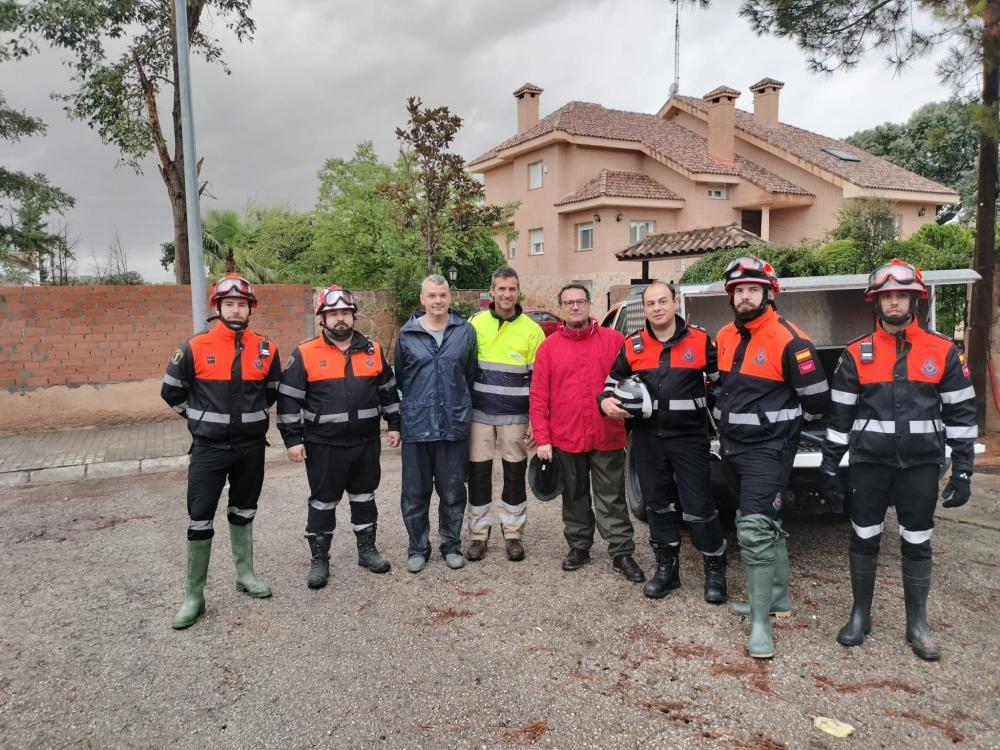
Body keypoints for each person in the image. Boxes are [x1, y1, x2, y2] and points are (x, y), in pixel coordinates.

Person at [820, 259, 976, 661]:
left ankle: (917, 624)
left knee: (918, 541)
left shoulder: (942, 351)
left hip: (921, 467)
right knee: (864, 537)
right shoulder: (856, 353)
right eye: (887, 296)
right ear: (877, 302)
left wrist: (962, 469)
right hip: (869, 465)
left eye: (900, 295)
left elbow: (960, 414)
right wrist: (830, 466)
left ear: (914, 299)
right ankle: (860, 615)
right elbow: (839, 416)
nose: (894, 303)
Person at [713, 256, 829, 658]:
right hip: (732, 447)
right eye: (739, 291)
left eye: (752, 290)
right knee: (763, 521)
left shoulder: (791, 339)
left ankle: (761, 623)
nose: (745, 297)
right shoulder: (726, 334)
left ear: (768, 293)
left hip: (769, 449)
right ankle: (776, 599)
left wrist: (782, 433)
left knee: (754, 530)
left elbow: (816, 401)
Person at [161, 273, 280, 629]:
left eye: (241, 305)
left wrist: (246, 420)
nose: (235, 310)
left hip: (250, 447)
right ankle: (193, 596)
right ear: (218, 307)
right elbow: (171, 392)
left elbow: (271, 391)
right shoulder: (195, 346)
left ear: (250, 309)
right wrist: (200, 420)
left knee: (244, 510)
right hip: (208, 449)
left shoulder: (266, 348)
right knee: (200, 518)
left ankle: (245, 575)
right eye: (229, 304)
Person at [598, 281, 728, 603]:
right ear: (645, 309)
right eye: (650, 303)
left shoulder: (700, 341)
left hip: (689, 440)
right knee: (658, 506)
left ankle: (715, 570)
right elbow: (610, 385)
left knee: (699, 507)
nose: (656, 308)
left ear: (674, 304)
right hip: (648, 440)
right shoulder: (633, 345)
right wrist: (604, 401)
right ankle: (667, 571)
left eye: (662, 301)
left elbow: (723, 383)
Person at [276, 285, 401, 589]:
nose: (340, 319)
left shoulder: (372, 349)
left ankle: (367, 550)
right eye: (333, 314)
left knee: (364, 497)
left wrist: (395, 423)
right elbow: (288, 400)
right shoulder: (305, 353)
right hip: (323, 445)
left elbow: (387, 390)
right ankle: (320, 560)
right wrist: (292, 440)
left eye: (345, 313)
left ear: (353, 316)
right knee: (323, 502)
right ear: (323, 318)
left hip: (365, 442)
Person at [529, 283, 645, 583]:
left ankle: (621, 550)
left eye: (580, 301)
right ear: (561, 307)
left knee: (612, 497)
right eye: (569, 302)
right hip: (566, 437)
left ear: (589, 304)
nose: (575, 307)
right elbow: (539, 397)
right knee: (574, 496)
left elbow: (633, 381)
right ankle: (579, 546)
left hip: (606, 434)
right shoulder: (548, 348)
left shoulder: (614, 340)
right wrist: (542, 438)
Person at [395, 274, 478, 573]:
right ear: (422, 299)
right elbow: (402, 377)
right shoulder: (406, 335)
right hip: (417, 426)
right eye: (432, 296)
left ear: (449, 297)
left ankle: (451, 545)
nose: (438, 301)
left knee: (453, 491)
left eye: (442, 295)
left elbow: (469, 373)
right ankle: (418, 547)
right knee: (415, 493)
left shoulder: (465, 332)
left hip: (453, 424)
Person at [465, 266, 545, 562]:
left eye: (512, 289)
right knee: (478, 475)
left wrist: (536, 421)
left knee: (514, 476)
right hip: (479, 415)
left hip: (515, 417)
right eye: (501, 289)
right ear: (492, 291)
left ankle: (513, 534)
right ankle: (478, 535)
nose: (507, 294)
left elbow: (539, 381)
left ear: (518, 291)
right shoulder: (473, 324)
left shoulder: (532, 330)